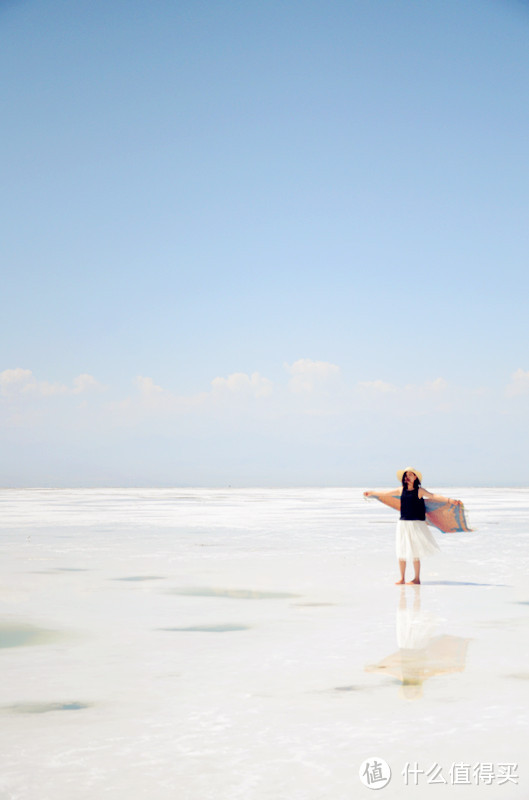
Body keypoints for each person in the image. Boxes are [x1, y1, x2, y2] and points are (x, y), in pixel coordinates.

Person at [364, 467, 445, 585]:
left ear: (415, 477)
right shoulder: (401, 490)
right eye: (406, 475)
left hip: (416, 524)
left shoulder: (419, 491)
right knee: (401, 551)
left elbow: (433, 496)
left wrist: (450, 500)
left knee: (415, 553)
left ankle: (416, 579)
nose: (407, 477)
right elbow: (385, 494)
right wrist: (372, 493)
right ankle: (402, 578)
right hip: (403, 524)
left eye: (410, 474)